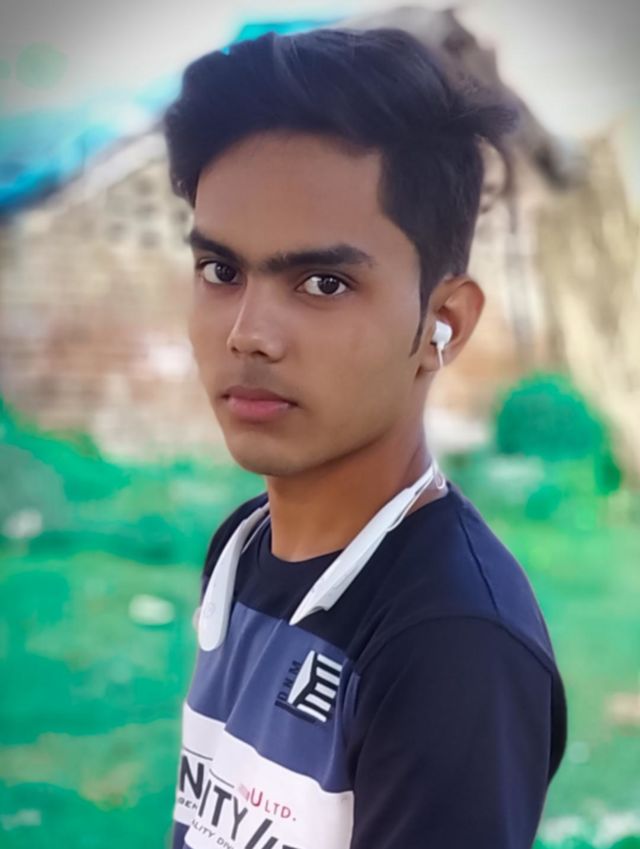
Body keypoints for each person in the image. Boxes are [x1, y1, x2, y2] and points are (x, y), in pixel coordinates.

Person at [162, 26, 567, 849]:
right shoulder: (243, 547)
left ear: (442, 322)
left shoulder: (452, 644)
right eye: (221, 271)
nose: (248, 333)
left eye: (323, 282)